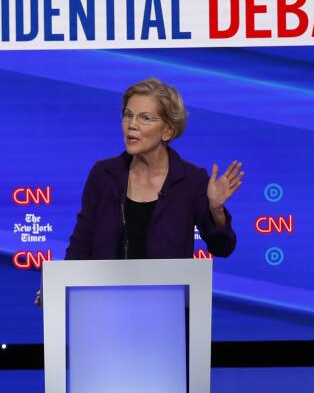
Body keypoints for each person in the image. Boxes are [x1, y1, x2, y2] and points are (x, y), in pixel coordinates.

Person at [65, 78, 242, 261]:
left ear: (167, 131)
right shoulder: (104, 175)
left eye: (145, 118)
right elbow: (81, 245)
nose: (132, 124)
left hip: (169, 289)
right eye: (128, 115)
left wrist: (216, 210)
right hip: (104, 288)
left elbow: (222, 248)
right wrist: (61, 286)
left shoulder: (191, 181)